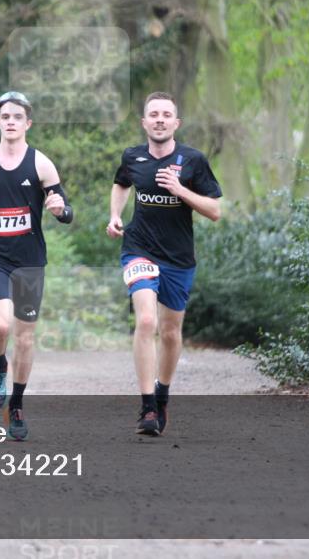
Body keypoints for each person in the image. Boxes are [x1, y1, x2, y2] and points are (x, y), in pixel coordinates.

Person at [0, 91, 73, 440]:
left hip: (29, 262)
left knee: (25, 338)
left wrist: (59, 210)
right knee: (2, 324)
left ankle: (18, 404)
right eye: (5, 117)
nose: (10, 122)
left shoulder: (42, 164)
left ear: (27, 124)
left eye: (17, 117)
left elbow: (66, 211)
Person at [106, 92, 222, 436]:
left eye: (165, 114)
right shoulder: (133, 156)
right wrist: (115, 215)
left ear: (175, 123)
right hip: (139, 248)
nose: (159, 119)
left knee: (170, 332)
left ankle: (162, 393)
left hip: (178, 258)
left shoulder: (193, 160)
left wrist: (180, 190)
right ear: (144, 122)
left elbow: (215, 211)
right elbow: (121, 183)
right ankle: (147, 408)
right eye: (153, 114)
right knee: (145, 320)